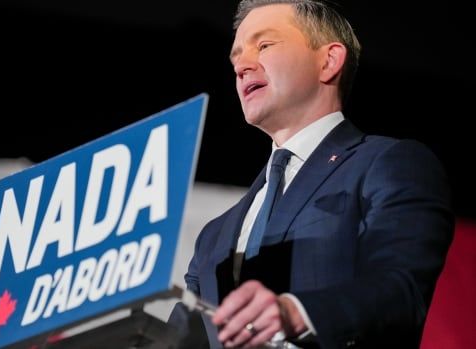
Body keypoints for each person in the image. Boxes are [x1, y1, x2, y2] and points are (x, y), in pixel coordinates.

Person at [170, 1, 454, 348]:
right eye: (236, 58)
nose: (242, 66)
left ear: (329, 61)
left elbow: (400, 287)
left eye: (264, 45)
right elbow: (179, 340)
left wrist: (295, 312)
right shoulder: (214, 235)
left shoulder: (389, 163)